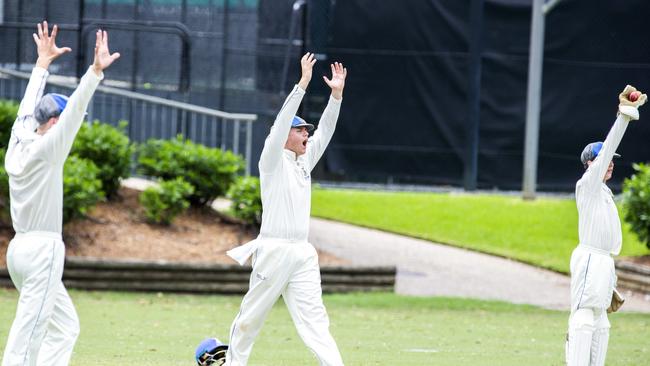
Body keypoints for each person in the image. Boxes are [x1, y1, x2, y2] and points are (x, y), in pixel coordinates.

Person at [2, 21, 120, 366]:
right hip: (42, 251)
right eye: (63, 119)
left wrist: (42, 65)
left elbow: (27, 106)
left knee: (65, 327)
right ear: (54, 123)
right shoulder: (49, 148)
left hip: (18, 251)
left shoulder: (19, 137)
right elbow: (77, 110)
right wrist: (95, 72)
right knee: (29, 335)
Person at [224, 53, 347, 366]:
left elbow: (327, 133)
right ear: (285, 137)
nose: (306, 134)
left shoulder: (304, 160)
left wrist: (336, 96)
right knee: (251, 318)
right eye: (301, 130)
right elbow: (280, 124)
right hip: (274, 249)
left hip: (302, 252)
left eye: (307, 130)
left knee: (315, 320)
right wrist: (302, 85)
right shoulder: (272, 160)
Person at [565, 85, 646, 366]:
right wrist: (623, 117)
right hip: (589, 258)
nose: (610, 164)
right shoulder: (586, 185)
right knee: (584, 318)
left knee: (601, 321)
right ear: (590, 163)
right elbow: (608, 147)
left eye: (612, 161)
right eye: (604, 160)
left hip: (603, 262)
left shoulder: (604, 193)